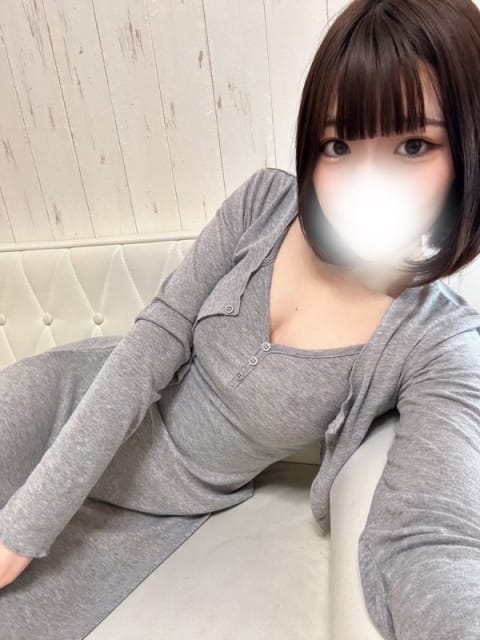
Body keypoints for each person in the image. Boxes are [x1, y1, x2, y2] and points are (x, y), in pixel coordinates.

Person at [1, 0, 480, 638]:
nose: (366, 182)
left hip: (163, 505)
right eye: (338, 144)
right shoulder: (264, 203)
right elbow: (152, 343)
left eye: (413, 144)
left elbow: (433, 535)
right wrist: (26, 525)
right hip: (67, 408)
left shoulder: (439, 340)